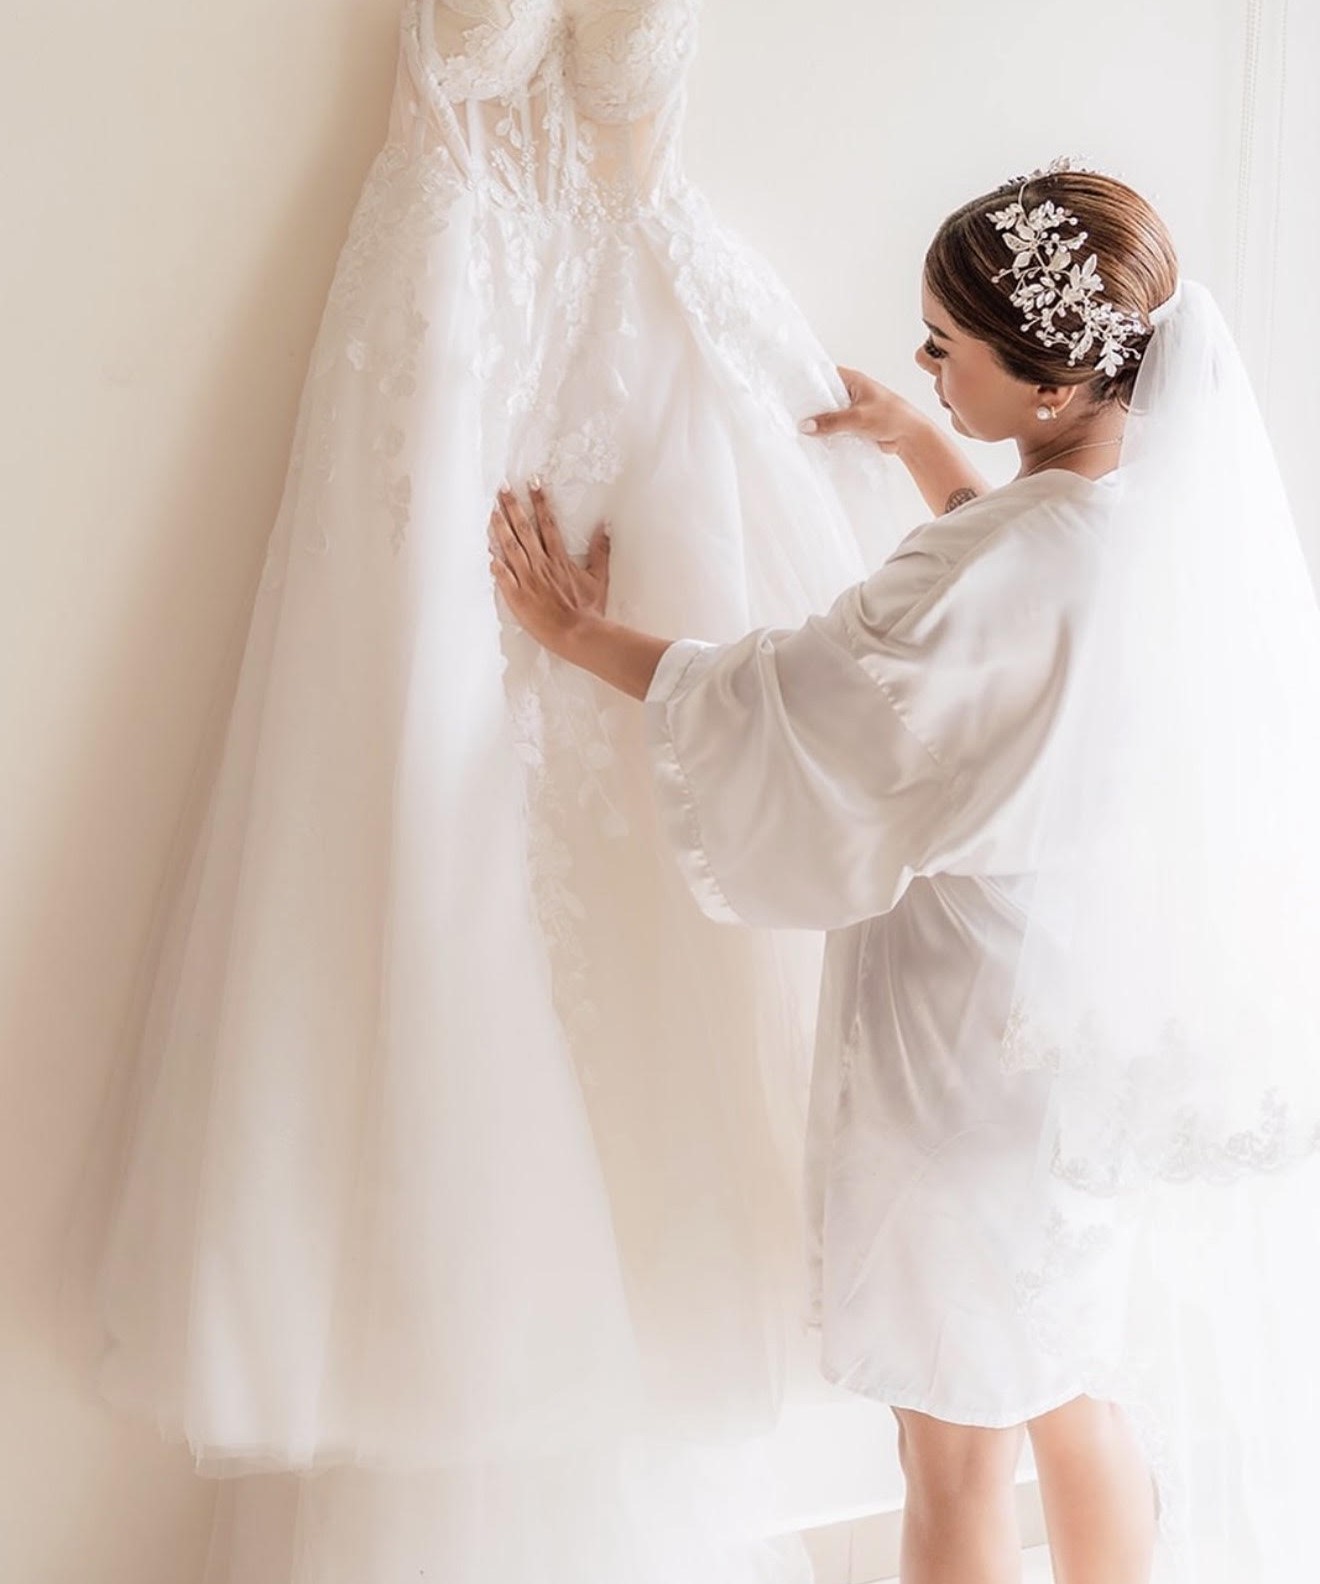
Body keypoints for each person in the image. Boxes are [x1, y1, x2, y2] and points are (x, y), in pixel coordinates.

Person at [491, 163, 1320, 1584]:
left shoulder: (987, 575)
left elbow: (804, 699)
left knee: (951, 1451)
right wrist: (923, 446)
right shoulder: (1165, 525)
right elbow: (1017, 595)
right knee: (1072, 1381)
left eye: (946, 349)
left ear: (1050, 382)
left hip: (963, 1046)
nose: (926, 367)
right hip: (1088, 1036)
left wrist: (580, 636)